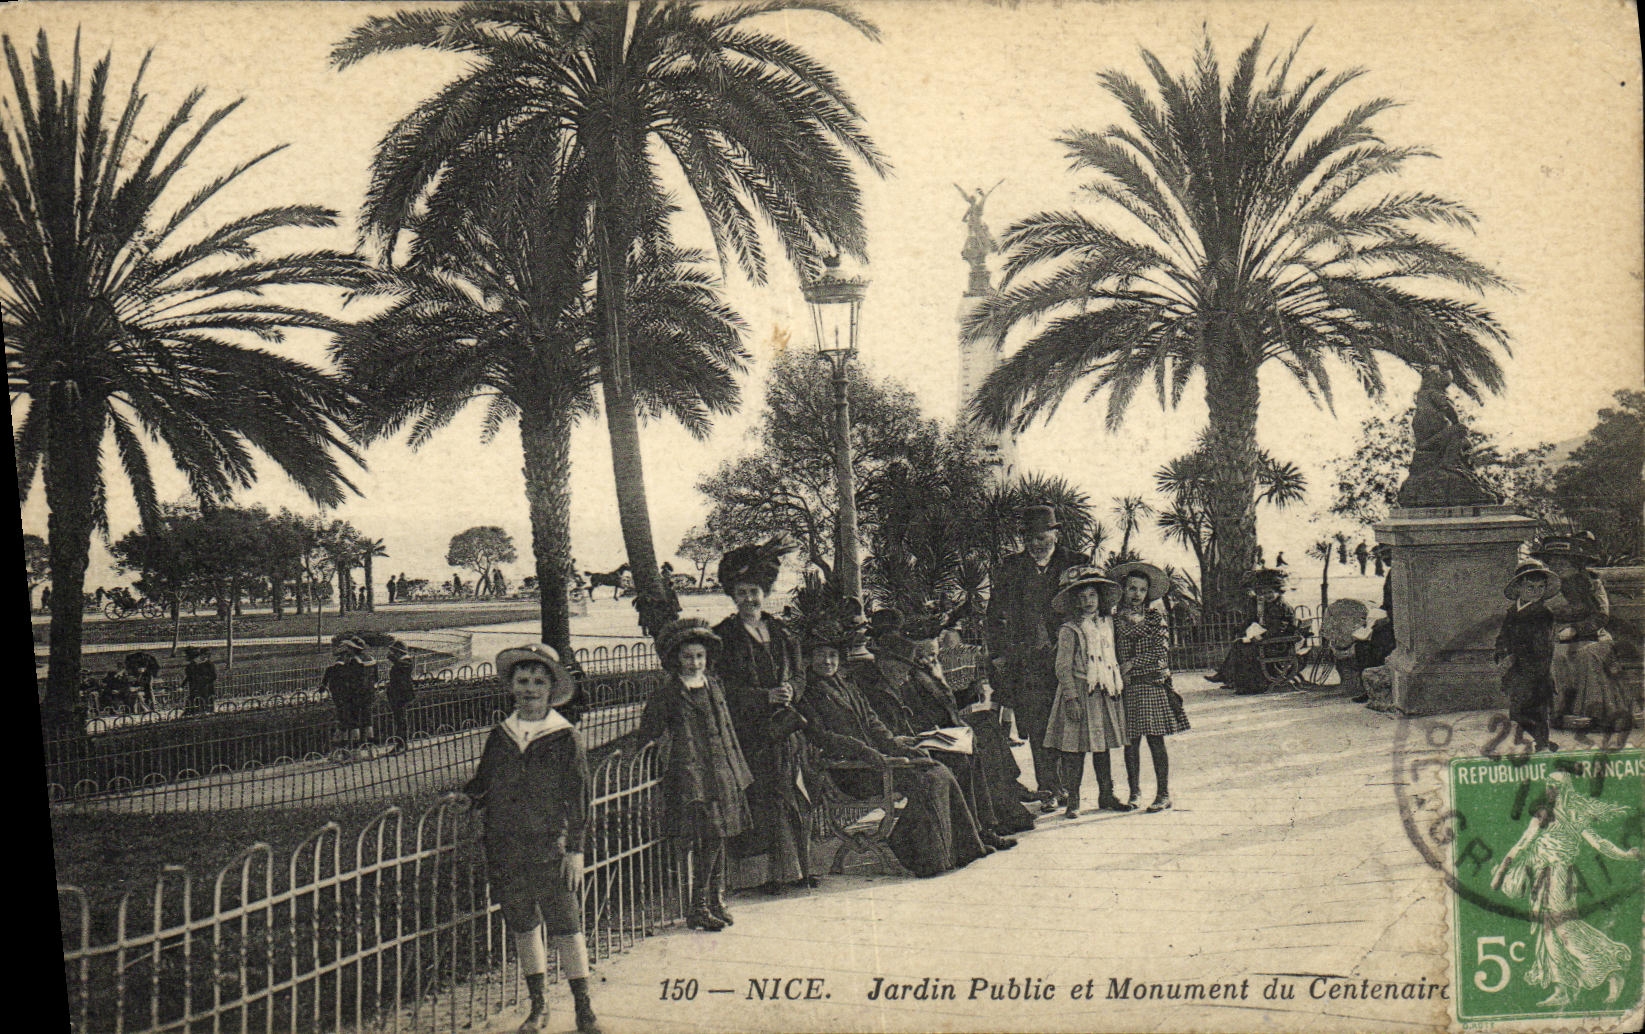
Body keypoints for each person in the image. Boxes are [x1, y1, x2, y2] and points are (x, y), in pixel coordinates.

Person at [463, 643, 600, 1034]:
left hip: (549, 846)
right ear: (511, 686)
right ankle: (539, 1005)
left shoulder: (565, 737)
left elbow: (578, 798)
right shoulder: (501, 735)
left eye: (539, 682)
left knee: (566, 926)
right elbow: (485, 781)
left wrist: (575, 850)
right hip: (506, 845)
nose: (529, 689)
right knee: (523, 924)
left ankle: (584, 1008)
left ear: (551, 689)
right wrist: (467, 798)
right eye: (522, 681)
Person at [799, 623, 990, 877]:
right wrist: (869, 753)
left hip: (874, 762)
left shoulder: (846, 685)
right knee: (925, 780)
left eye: (832, 655)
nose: (827, 661)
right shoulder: (807, 694)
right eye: (821, 655)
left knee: (938, 771)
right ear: (810, 659)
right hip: (851, 771)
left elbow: (873, 723)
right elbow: (824, 737)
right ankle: (926, 858)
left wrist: (900, 747)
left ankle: (964, 849)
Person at [712, 541, 816, 895]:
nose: (748, 599)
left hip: (786, 730)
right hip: (750, 734)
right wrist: (762, 697)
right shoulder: (723, 637)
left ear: (765, 593)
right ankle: (762, 877)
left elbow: (800, 675)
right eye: (741, 593)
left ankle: (796, 870)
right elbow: (721, 688)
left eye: (754, 592)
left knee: (792, 796)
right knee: (762, 801)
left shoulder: (783, 632)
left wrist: (791, 690)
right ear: (733, 596)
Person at [639, 618, 753, 932]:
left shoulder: (714, 685)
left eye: (699, 656)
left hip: (721, 769)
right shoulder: (668, 694)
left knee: (720, 835)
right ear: (676, 658)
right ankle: (698, 906)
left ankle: (714, 900)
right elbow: (649, 732)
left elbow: (726, 727)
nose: (694, 662)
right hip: (692, 776)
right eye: (687, 656)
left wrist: (736, 768)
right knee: (709, 836)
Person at [1490, 771, 1638, 1007]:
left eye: (1555, 785)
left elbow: (1599, 843)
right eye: (1548, 784)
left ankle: (1611, 969)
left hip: (1560, 875)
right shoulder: (1541, 815)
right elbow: (1522, 844)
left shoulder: (1574, 815)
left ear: (1565, 789)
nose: (1550, 788)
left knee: (1565, 929)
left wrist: (1626, 855)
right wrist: (1501, 871)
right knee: (1548, 933)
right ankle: (1563, 989)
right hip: (1540, 876)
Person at [873, 620, 1025, 845]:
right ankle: (991, 819)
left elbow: (947, 705)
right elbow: (928, 715)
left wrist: (947, 683)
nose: (930, 659)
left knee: (986, 723)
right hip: (932, 733)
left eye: (934, 654)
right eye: (925, 655)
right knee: (974, 745)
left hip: (946, 726)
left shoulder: (928, 672)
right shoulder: (910, 679)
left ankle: (1008, 795)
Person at [986, 505, 1090, 813]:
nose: (1035, 544)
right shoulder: (1011, 568)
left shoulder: (1076, 563)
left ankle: (1071, 788)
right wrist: (999, 653)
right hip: (1027, 662)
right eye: (1029, 538)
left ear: (1055, 534)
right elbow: (995, 615)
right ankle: (1048, 788)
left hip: (1070, 658)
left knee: (1071, 722)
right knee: (1037, 724)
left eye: (1042, 537)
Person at [1048, 566, 1130, 817]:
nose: (1088, 602)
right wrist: (1071, 698)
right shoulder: (1070, 629)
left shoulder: (1108, 624)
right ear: (1075, 602)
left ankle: (1106, 794)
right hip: (1080, 692)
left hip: (1103, 690)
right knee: (1074, 749)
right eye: (1082, 597)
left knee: (1101, 746)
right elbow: (1062, 667)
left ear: (1100, 598)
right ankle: (1073, 799)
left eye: (1092, 595)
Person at [1110, 562, 1189, 813]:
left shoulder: (1155, 618)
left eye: (1142, 590)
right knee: (1131, 743)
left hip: (1152, 684)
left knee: (1156, 740)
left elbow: (1160, 653)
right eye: (1132, 588)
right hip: (1127, 688)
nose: (1136, 594)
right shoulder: (1114, 621)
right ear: (1123, 590)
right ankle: (1134, 792)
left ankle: (1163, 793)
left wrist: (1131, 664)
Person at [1536, 534, 1634, 732]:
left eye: (1563, 562)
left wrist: (1576, 629)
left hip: (1595, 637)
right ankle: (1560, 713)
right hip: (1558, 639)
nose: (1558, 567)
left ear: (1575, 563)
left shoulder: (1592, 584)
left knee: (1588, 654)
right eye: (1553, 562)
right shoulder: (1544, 588)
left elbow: (1601, 616)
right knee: (1556, 655)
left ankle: (1597, 714)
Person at [1494, 559, 1561, 753]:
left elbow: (1542, 647)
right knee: (1518, 711)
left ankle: (1543, 744)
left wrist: (1514, 657)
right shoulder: (1513, 612)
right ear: (1519, 588)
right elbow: (1503, 637)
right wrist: (1501, 654)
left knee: (1538, 711)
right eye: (1530, 587)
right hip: (1517, 672)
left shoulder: (1543, 614)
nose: (1536, 592)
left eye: (1541, 587)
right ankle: (1538, 742)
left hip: (1536, 671)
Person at [1210, 569, 1297, 695]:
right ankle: (1230, 678)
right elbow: (1254, 620)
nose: (1267, 595)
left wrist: (1261, 637)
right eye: (1265, 593)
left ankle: (1249, 685)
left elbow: (1279, 628)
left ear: (1278, 591)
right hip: (1272, 641)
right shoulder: (1270, 605)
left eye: (1270, 592)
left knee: (1245, 649)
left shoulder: (1281, 607)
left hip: (1279, 644)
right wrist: (1240, 630)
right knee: (1239, 644)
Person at [323, 636, 379, 752]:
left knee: (354, 723)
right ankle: (371, 750)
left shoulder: (355, 661)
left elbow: (350, 679)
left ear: (353, 648)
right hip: (369, 695)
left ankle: (355, 751)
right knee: (368, 721)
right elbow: (376, 678)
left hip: (356, 695)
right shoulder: (371, 659)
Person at [385, 641, 417, 751]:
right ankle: (402, 743)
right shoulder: (403, 662)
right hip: (398, 694)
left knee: (401, 719)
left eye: (394, 652)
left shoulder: (406, 661)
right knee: (400, 719)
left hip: (401, 694)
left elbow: (401, 667)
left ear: (399, 652)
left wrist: (393, 659)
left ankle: (401, 743)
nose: (393, 653)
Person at [180, 646, 217, 716]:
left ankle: (204, 713)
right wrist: (182, 686)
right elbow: (189, 676)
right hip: (195, 687)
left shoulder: (209, 664)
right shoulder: (193, 664)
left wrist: (202, 679)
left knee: (205, 701)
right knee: (194, 700)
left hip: (206, 687)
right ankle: (191, 713)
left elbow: (213, 676)